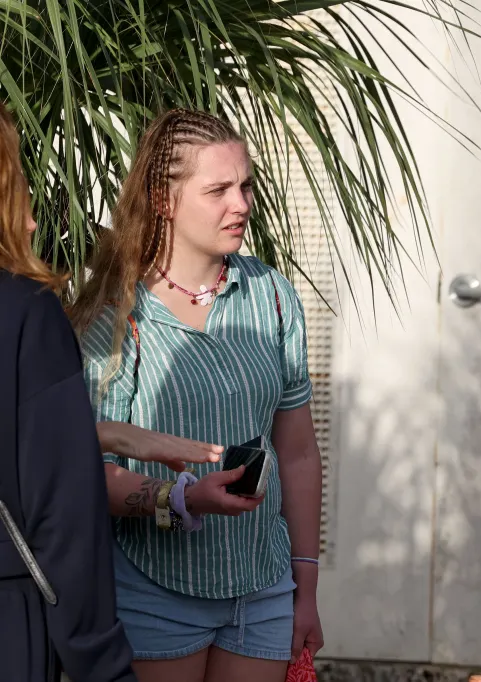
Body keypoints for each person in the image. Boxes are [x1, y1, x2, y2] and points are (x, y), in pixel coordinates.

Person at [68, 108, 324, 682]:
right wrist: (181, 500)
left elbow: (300, 452)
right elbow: (85, 466)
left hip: (261, 588)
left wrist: (304, 585)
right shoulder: (116, 314)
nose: (242, 204)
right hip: (154, 590)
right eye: (218, 190)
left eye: (246, 185)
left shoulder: (271, 294)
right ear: (162, 198)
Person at [0, 105, 137, 681]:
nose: (31, 224)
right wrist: (102, 664)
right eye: (17, 192)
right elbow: (64, 515)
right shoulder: (26, 311)